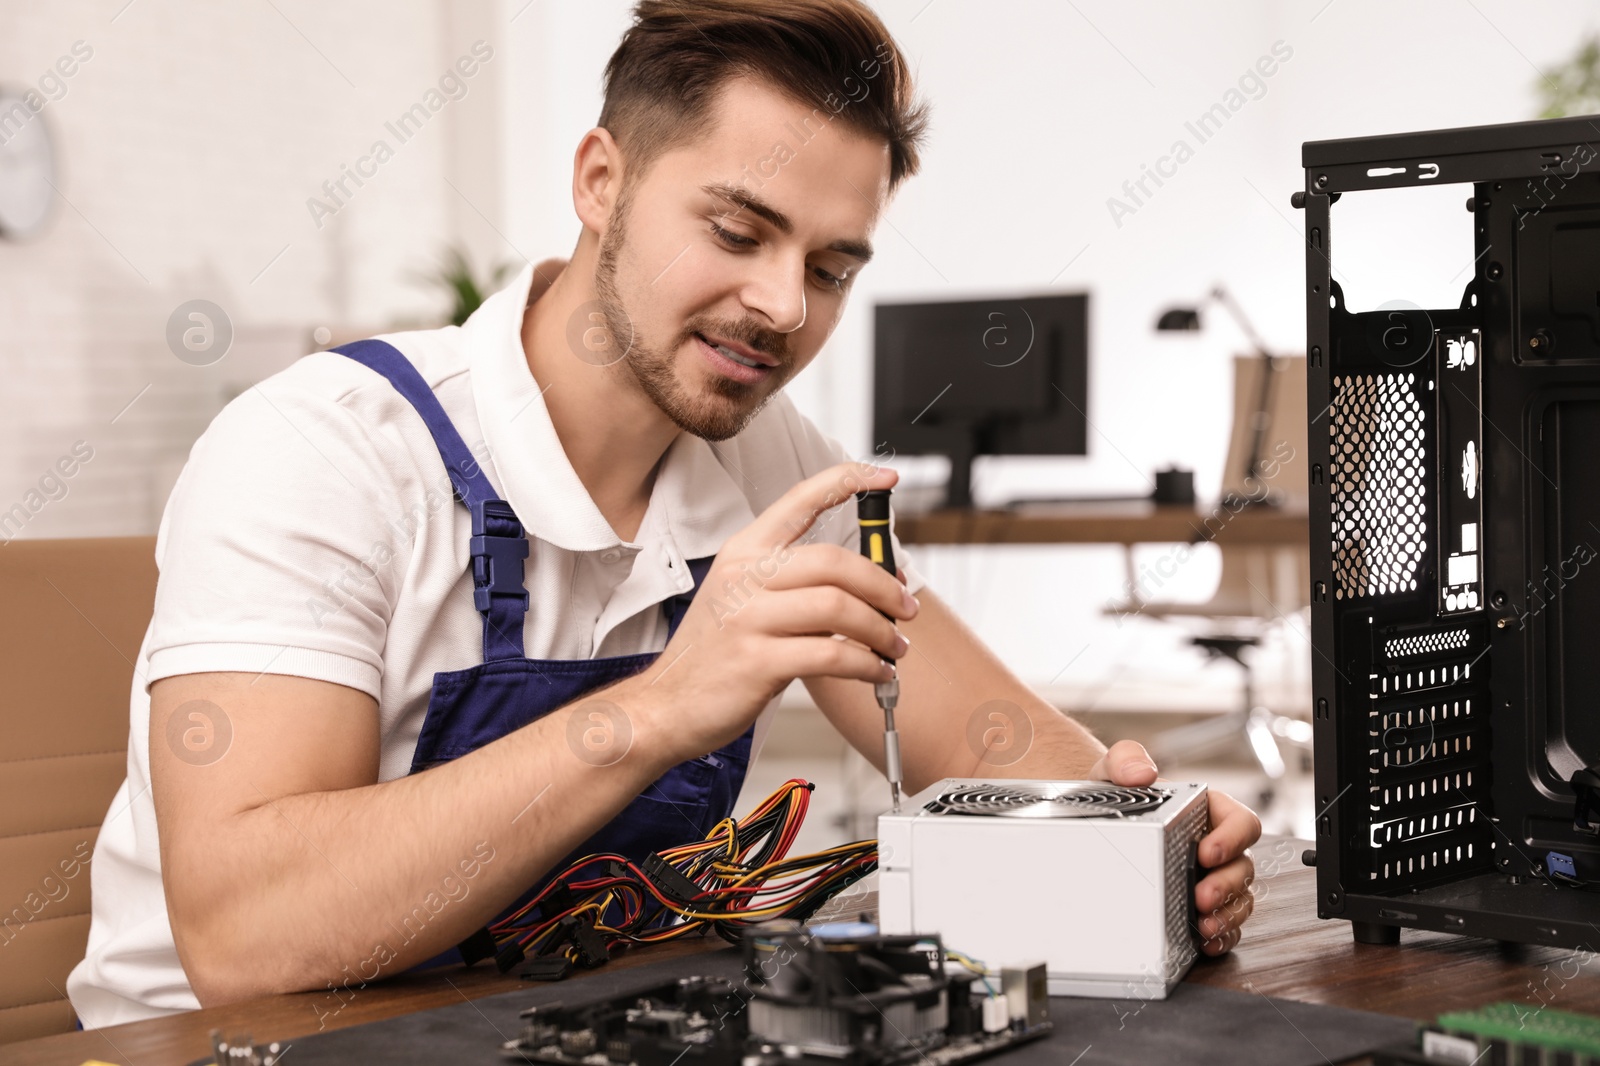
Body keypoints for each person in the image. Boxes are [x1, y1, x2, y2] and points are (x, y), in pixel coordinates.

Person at [67, 0, 1260, 1028]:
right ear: (601, 181)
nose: (784, 305)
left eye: (832, 268)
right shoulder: (326, 448)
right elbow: (246, 938)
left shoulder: (773, 467)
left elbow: (998, 752)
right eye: (737, 231)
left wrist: (1149, 828)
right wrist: (661, 708)